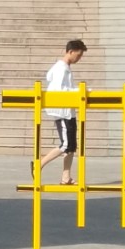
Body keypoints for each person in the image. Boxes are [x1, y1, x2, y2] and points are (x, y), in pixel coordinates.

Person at [39, 40, 87, 185]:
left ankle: (66, 177)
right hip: (63, 111)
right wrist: (80, 91)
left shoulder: (63, 67)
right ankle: (39, 164)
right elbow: (60, 90)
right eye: (78, 55)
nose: (79, 58)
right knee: (66, 144)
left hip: (67, 110)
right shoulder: (61, 68)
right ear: (70, 52)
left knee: (71, 146)